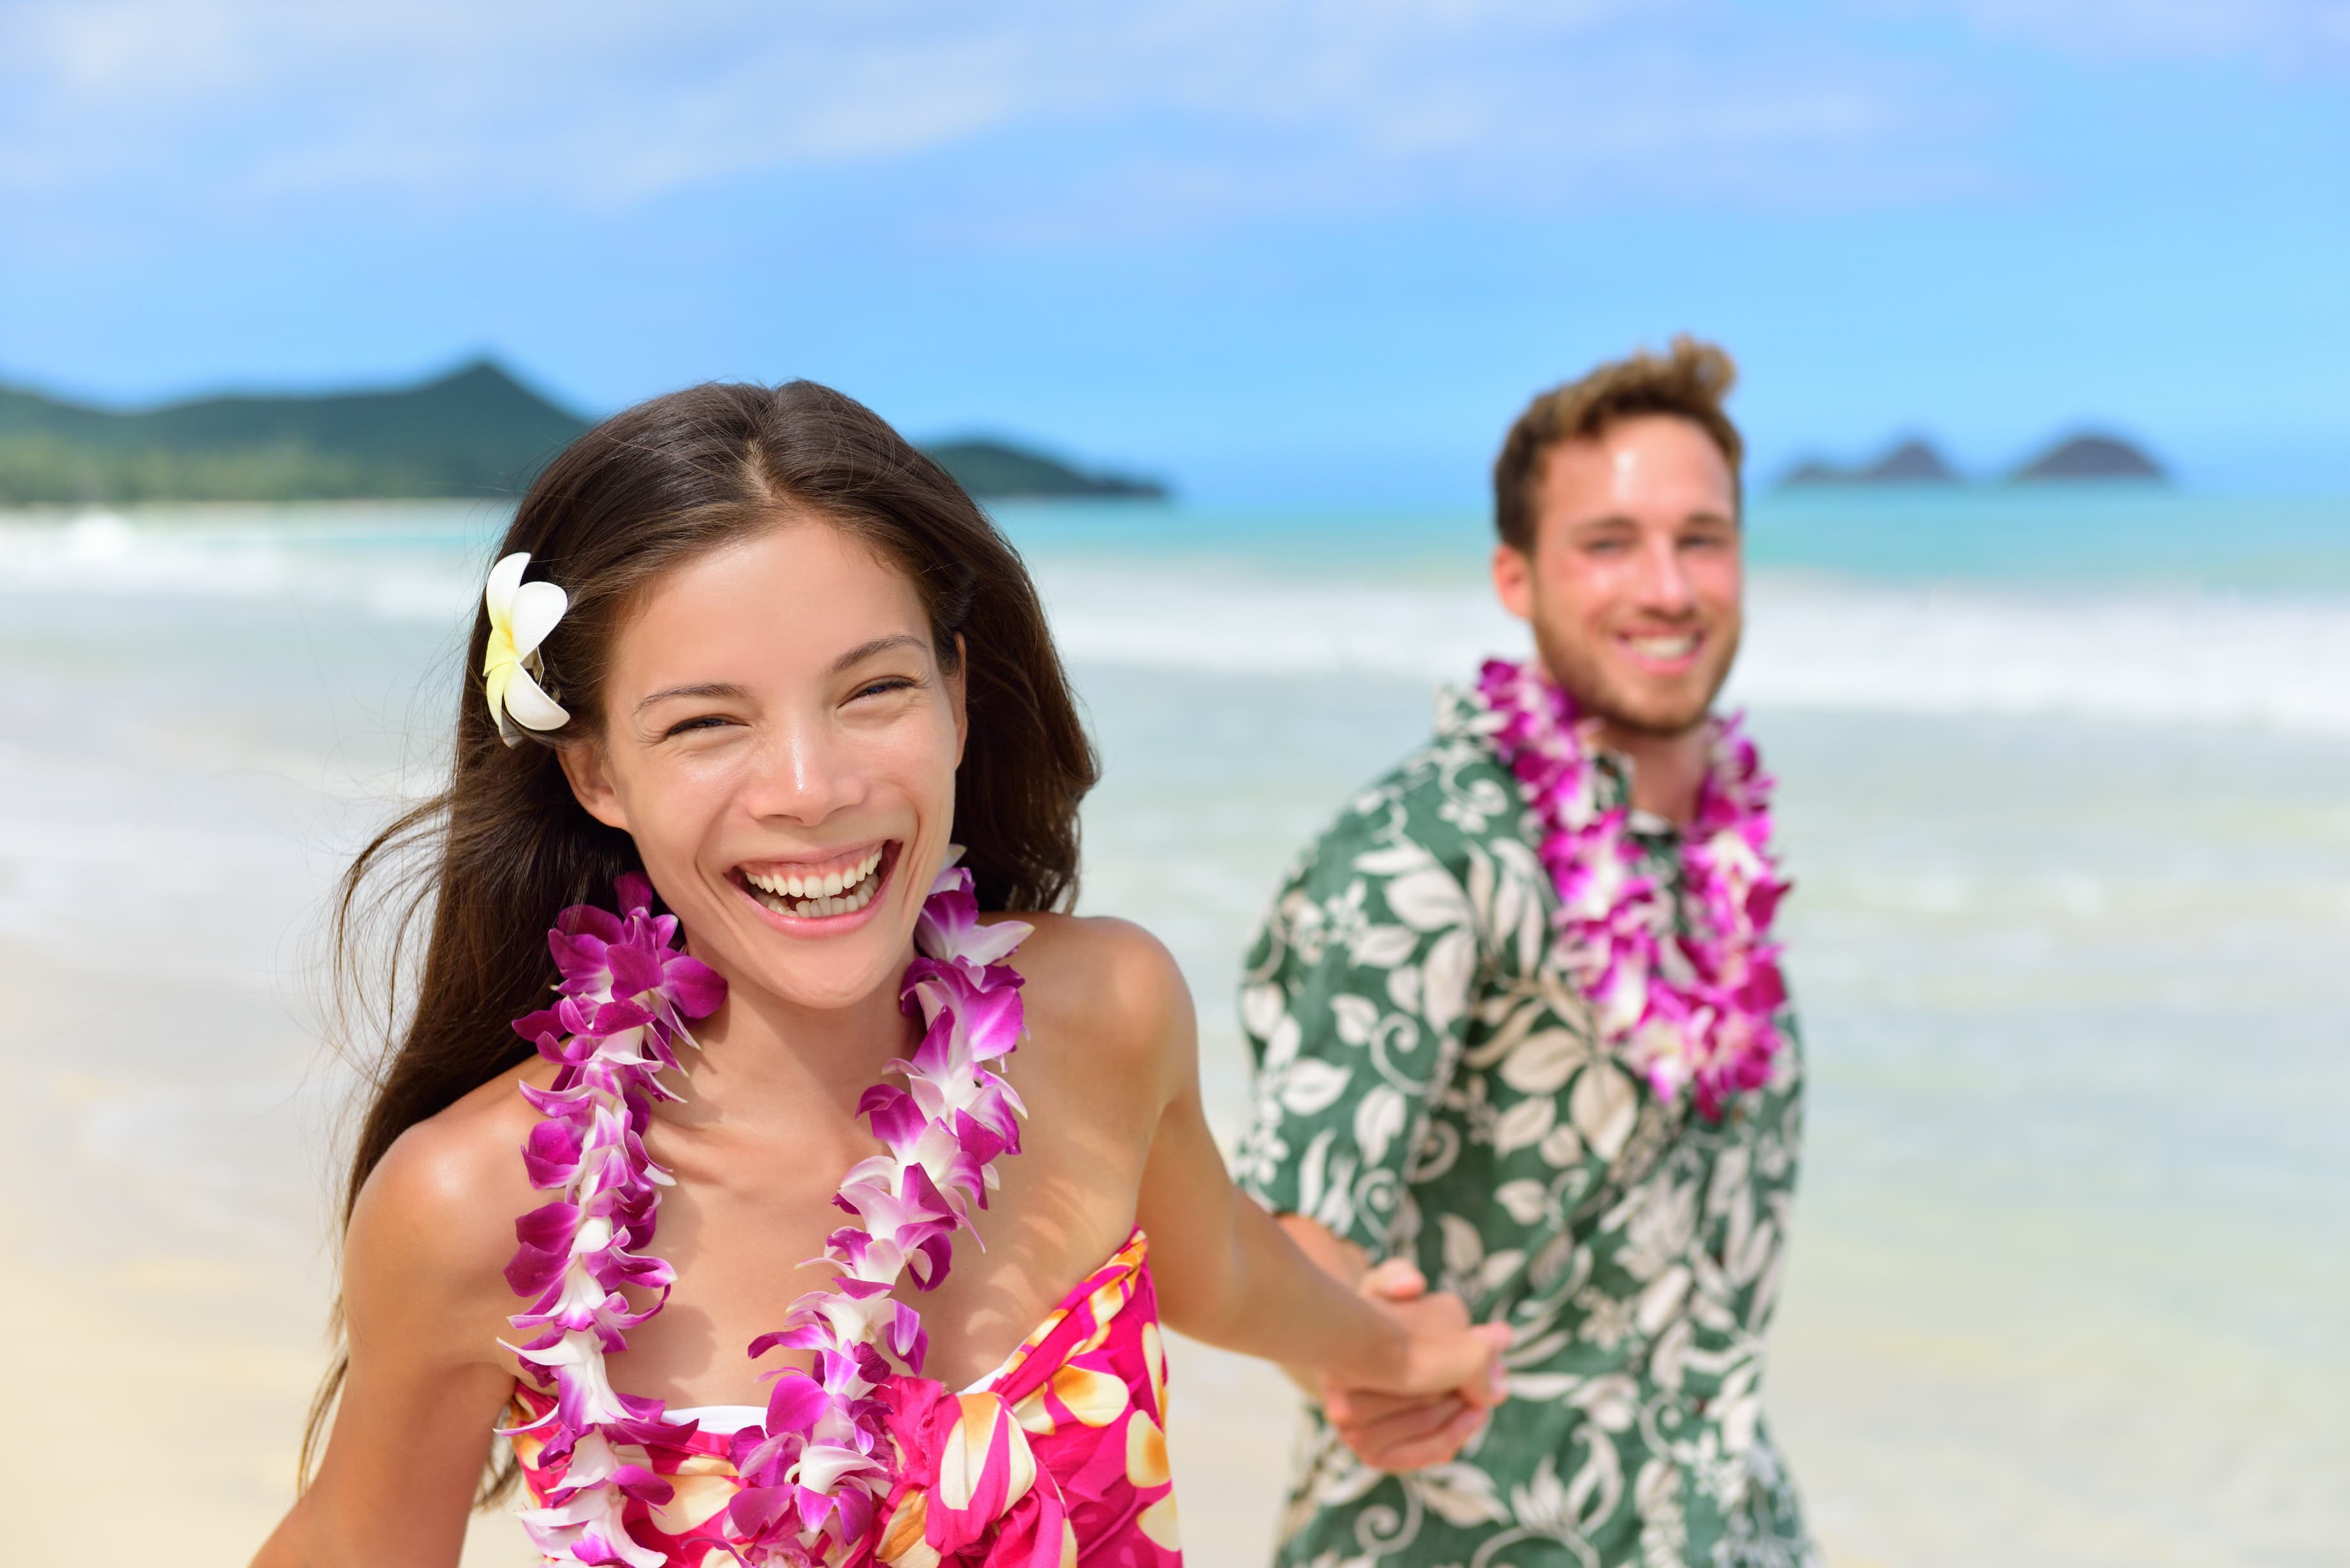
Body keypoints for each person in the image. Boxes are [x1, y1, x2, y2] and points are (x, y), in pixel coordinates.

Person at [255, 381, 1508, 1568]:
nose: (811, 790)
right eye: (706, 721)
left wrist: (1394, 1351)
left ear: (958, 699)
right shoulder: (478, 1206)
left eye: (874, 691)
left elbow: (1222, 1268)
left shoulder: (1105, 1015)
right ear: (597, 775)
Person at [1236, 338, 1817, 1565]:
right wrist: (1354, 1356)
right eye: (1609, 543)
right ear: (1517, 575)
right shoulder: (1421, 854)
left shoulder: (1723, 860)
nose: (1667, 586)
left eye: (1701, 538)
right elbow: (1292, 1224)